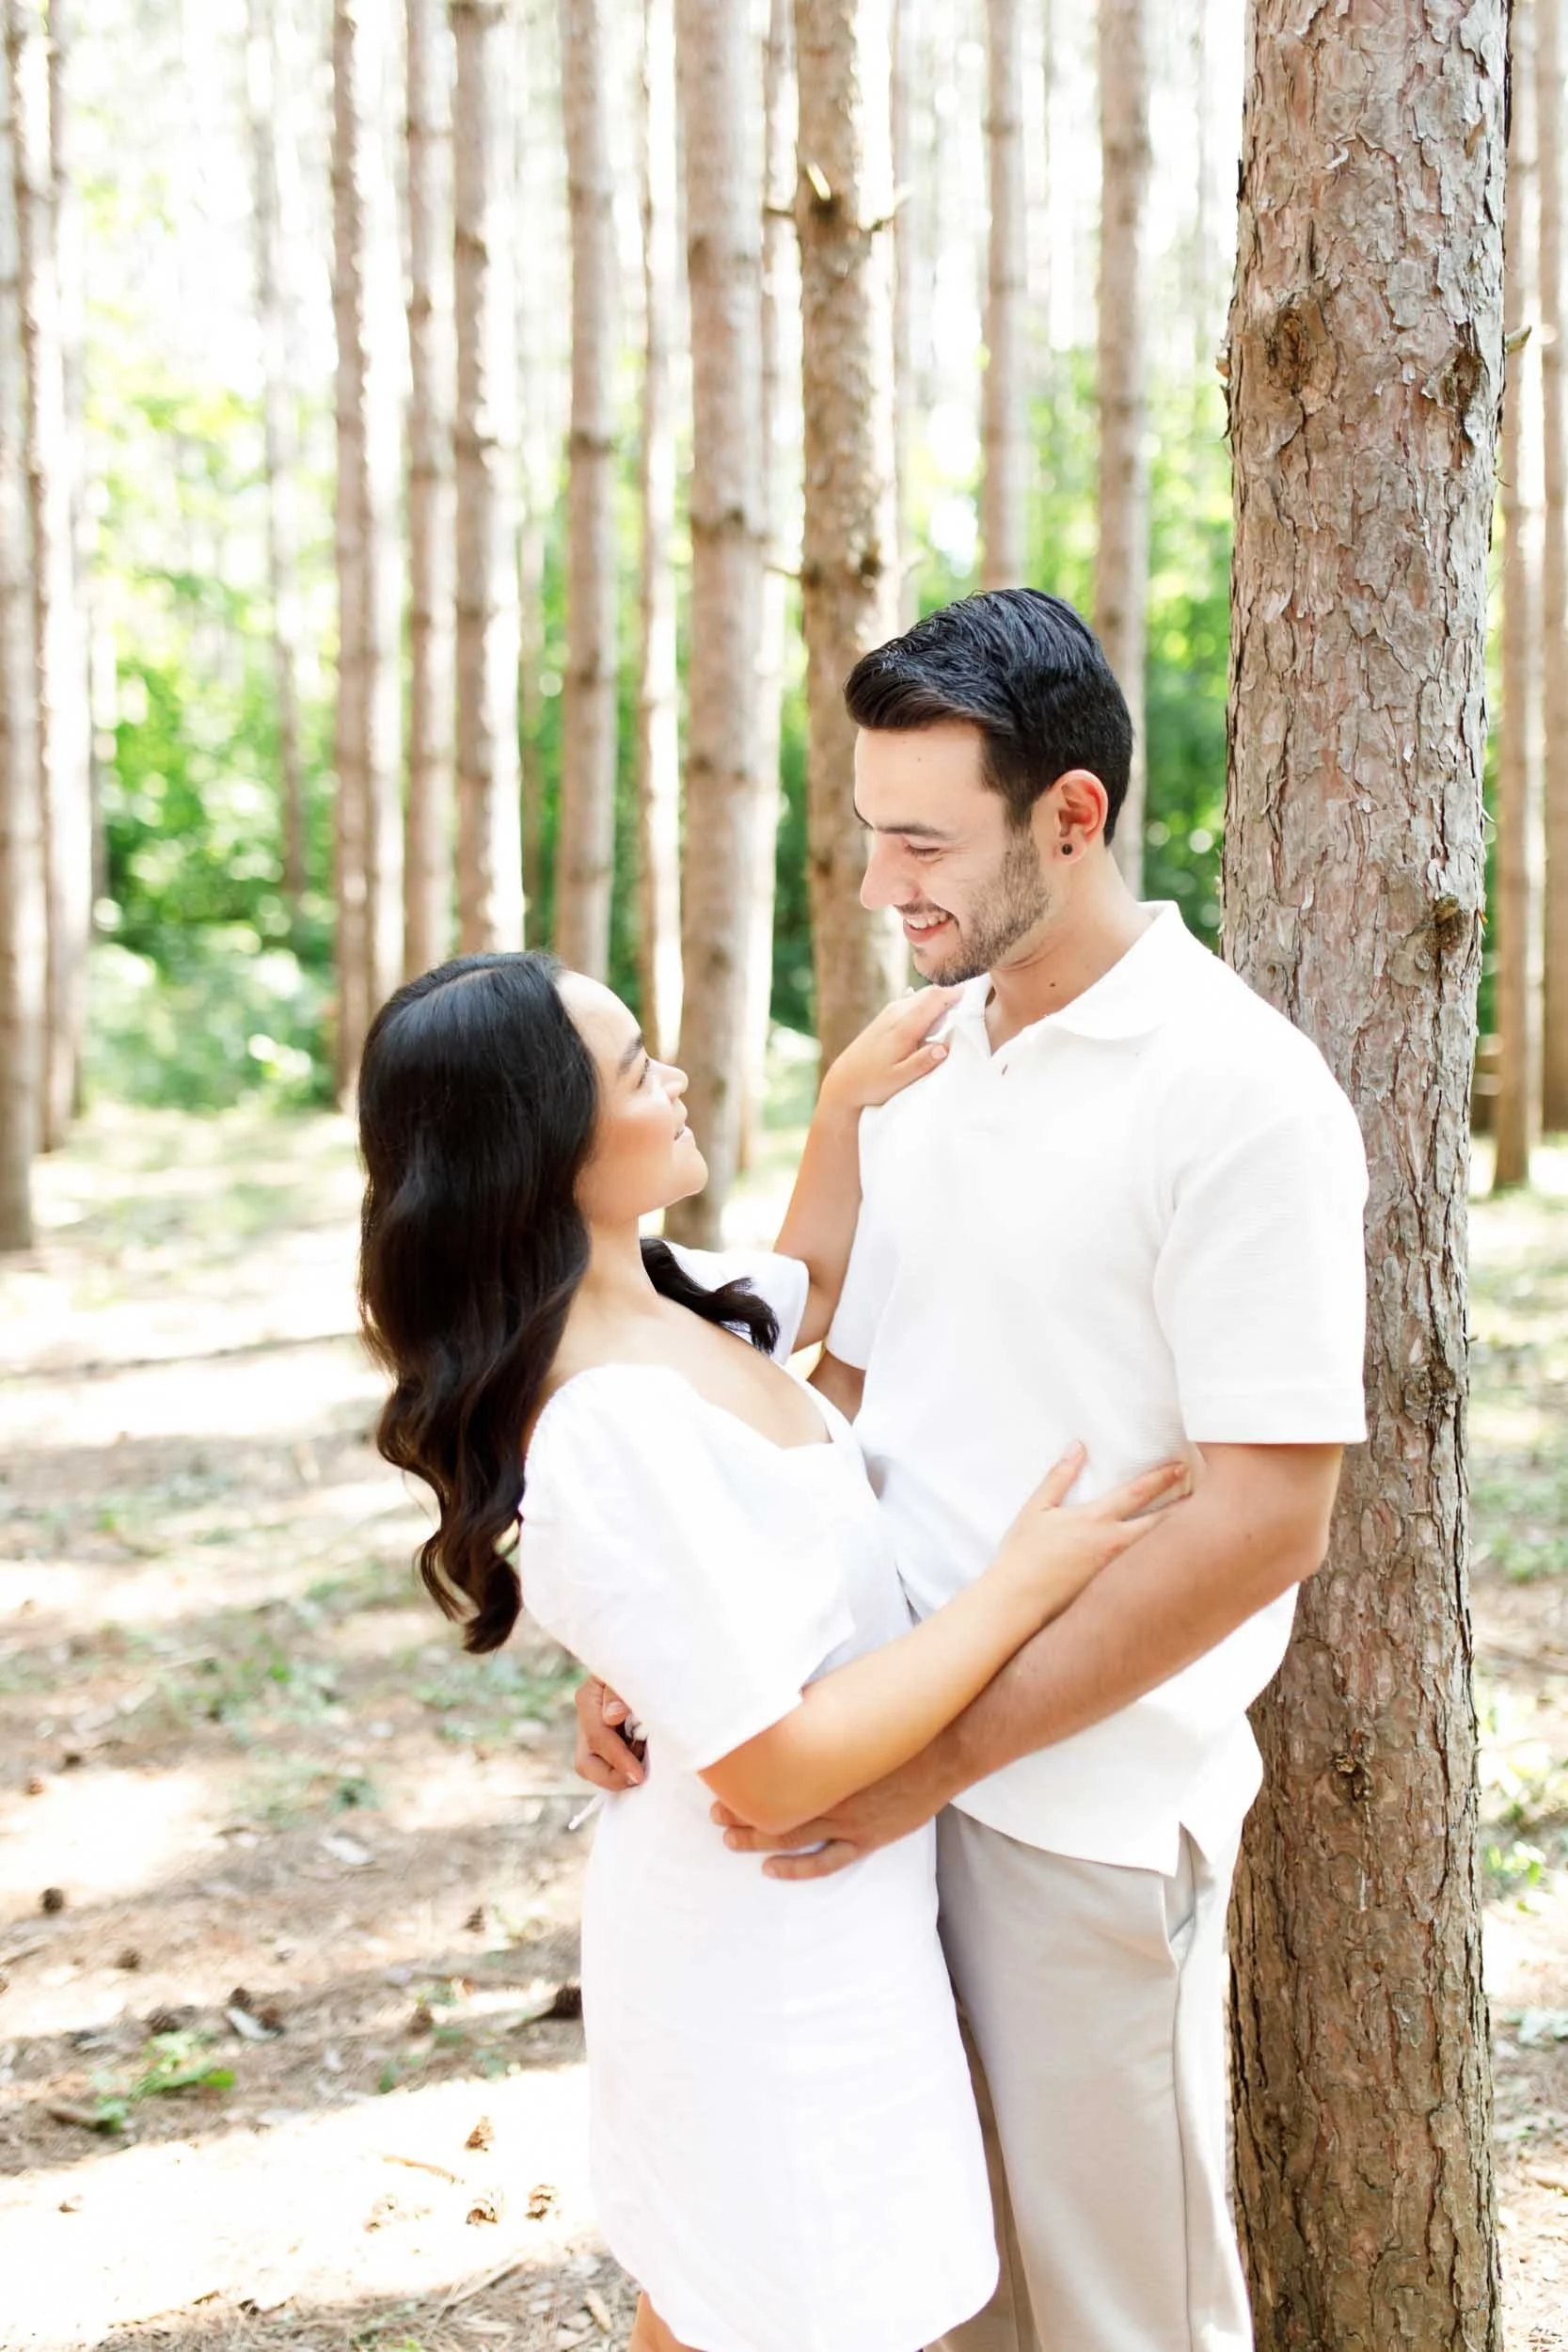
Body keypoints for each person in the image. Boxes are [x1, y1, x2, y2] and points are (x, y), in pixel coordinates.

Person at [576, 587, 1370, 2352]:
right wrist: (676, 1658)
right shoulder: (919, 1068)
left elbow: (1268, 1515)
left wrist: (939, 1757)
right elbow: (835, 1396)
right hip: (854, 1791)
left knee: (1111, 2319)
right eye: (869, 836)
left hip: (1063, 1805)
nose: (879, 888)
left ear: (1069, 817)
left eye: (922, 841)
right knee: (923, 2312)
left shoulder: (1240, 1093)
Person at [356, 946, 1187, 2352]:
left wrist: (844, 1109)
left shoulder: (658, 1296)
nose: (672, 1075)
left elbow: (804, 1280)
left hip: (823, 1931)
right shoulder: (606, 1415)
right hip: (770, 1951)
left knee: (739, 2307)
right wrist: (1016, 1587)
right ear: (546, 1145)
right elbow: (780, 1771)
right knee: (783, 2303)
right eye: (634, 1070)